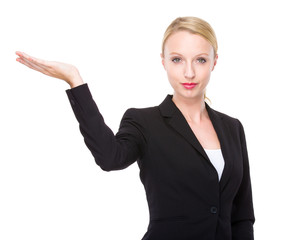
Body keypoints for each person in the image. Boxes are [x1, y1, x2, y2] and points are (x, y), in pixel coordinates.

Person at [15, 16, 255, 240]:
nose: (189, 72)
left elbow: (242, 216)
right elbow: (110, 158)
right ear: (163, 62)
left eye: (200, 60)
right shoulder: (145, 122)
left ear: (214, 62)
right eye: (177, 59)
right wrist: (74, 80)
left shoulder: (233, 128)